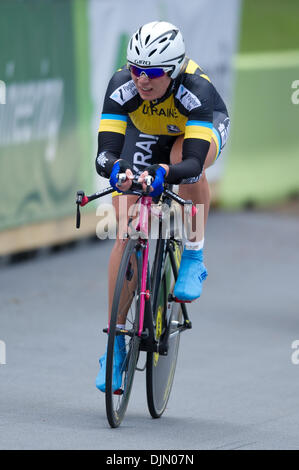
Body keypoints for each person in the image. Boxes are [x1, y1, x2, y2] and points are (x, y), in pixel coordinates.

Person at [95, 21, 230, 392]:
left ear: (172, 72)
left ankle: (194, 256)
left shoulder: (196, 89)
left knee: (185, 169)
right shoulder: (123, 84)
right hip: (146, 131)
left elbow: (189, 162)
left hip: (192, 132)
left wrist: (164, 172)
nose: (142, 80)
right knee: (124, 229)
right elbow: (105, 155)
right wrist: (119, 172)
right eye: (136, 70)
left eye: (152, 74)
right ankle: (116, 341)